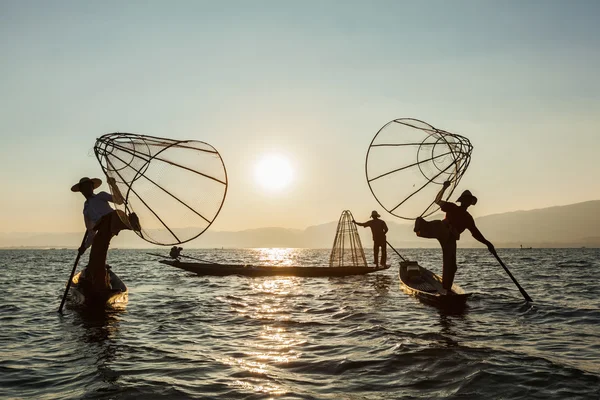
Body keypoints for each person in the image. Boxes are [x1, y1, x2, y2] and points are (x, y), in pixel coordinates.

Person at [414, 181, 496, 294]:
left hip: (450, 238)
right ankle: (420, 225)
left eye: (468, 201)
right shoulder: (452, 207)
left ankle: (446, 288)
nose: (466, 202)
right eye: (465, 200)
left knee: (451, 266)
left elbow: (475, 233)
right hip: (441, 228)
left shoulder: (468, 218)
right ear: (462, 201)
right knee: (422, 225)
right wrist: (444, 188)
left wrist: (487, 243)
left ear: (469, 203)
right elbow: (437, 201)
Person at [71, 176, 141, 294]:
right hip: (102, 228)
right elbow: (91, 230)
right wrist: (85, 246)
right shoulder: (86, 208)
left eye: (89, 186)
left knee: (116, 218)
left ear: (92, 187)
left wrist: (113, 185)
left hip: (113, 218)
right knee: (95, 258)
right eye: (84, 188)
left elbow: (119, 200)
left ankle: (131, 223)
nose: (86, 189)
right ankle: (100, 285)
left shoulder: (101, 196)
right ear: (81, 191)